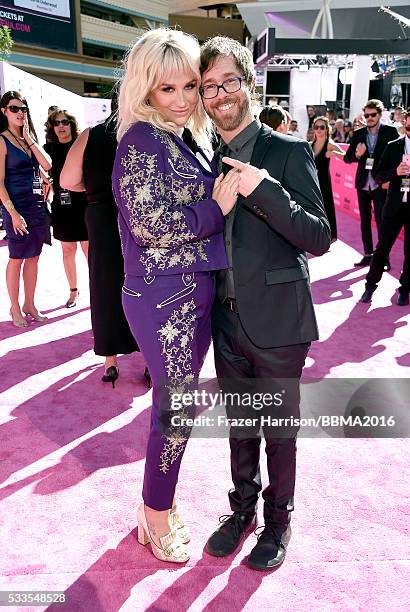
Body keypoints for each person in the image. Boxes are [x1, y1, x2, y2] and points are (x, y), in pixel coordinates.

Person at [199, 37, 330, 571]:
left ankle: (279, 520)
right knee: (240, 426)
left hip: (278, 322)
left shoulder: (287, 150)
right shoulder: (202, 155)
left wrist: (265, 189)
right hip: (224, 319)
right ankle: (243, 508)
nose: (221, 93)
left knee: (279, 430)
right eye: (210, 86)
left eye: (230, 81)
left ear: (249, 85)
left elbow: (320, 236)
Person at [112, 28, 236, 563]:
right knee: (176, 409)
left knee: (179, 409)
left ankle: (156, 503)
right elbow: (147, 225)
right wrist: (217, 208)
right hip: (164, 296)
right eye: (168, 89)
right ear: (145, 90)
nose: (184, 99)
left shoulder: (184, 136)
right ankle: (154, 514)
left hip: (195, 291)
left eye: (190, 86)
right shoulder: (141, 139)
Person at [60, 90, 145, 389]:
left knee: (104, 284)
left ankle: (110, 361)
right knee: (143, 286)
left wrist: (93, 189)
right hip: (138, 217)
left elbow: (67, 181)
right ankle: (148, 360)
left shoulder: (90, 135)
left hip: (101, 216)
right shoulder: (145, 134)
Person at [0, 91, 52, 327]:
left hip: (36, 205)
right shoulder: (1, 140)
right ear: (4, 111)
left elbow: (47, 165)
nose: (20, 113)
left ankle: (29, 304)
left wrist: (29, 138)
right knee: (17, 258)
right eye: (14, 108)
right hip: (16, 206)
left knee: (34, 257)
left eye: (23, 109)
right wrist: (12, 213)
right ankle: (14, 306)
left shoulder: (26, 139)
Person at [360, 110, 410, 306]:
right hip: (394, 208)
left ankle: (405, 289)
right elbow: (379, 175)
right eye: (408, 126)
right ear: (404, 124)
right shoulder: (393, 147)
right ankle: (370, 286)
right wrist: (395, 172)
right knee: (382, 249)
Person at [344, 99, 398, 267]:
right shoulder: (359, 133)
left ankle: (384, 258)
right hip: (363, 184)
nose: (369, 118)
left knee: (383, 223)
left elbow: (396, 158)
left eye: (373, 115)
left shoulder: (390, 132)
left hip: (380, 184)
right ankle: (368, 254)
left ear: (380, 115)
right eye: (366, 115)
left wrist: (390, 179)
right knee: (365, 222)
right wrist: (359, 155)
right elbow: (347, 158)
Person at [45, 109, 89, 308]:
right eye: (56, 123)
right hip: (62, 208)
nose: (61, 126)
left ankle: (96, 291)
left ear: (71, 124)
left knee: (89, 251)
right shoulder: (48, 150)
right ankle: (73, 292)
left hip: (84, 206)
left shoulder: (82, 145)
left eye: (64, 122)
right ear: (52, 128)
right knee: (67, 251)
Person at [310, 116, 345, 242]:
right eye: (316, 127)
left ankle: (330, 236)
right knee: (313, 207)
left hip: (324, 181)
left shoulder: (329, 144)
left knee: (326, 207)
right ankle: (316, 234)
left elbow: (346, 156)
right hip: (312, 181)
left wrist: (334, 154)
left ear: (326, 129)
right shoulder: (310, 144)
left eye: (322, 127)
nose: (319, 130)